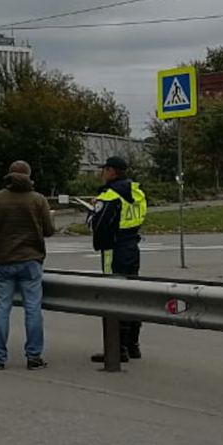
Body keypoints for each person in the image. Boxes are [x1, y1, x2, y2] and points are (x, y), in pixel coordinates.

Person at [0, 160, 56, 370]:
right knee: (33, 309)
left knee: (2, 308)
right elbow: (49, 230)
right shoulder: (38, 200)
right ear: (29, 177)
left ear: (9, 176)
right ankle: (34, 357)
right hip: (31, 261)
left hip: (3, 261)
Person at [87, 156, 147, 363]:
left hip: (114, 249)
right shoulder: (137, 191)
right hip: (132, 245)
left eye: (104, 169)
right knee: (132, 294)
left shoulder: (110, 196)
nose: (103, 173)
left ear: (112, 171)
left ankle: (116, 348)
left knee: (112, 296)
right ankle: (132, 345)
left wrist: (92, 211)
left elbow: (98, 225)